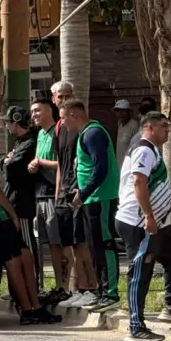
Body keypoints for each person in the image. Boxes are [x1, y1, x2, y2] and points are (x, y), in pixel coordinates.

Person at [116, 111, 171, 341]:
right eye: (163, 126)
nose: (167, 130)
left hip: (157, 222)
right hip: (139, 222)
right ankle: (136, 326)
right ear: (149, 127)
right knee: (141, 272)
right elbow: (138, 182)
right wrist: (149, 216)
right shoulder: (144, 149)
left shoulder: (152, 150)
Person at [0, 135, 59, 325]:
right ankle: (28, 309)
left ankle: (35, 306)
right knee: (14, 263)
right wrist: (12, 214)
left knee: (26, 256)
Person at [60, 99, 121, 313]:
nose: (63, 123)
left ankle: (111, 293)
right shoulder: (84, 134)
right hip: (89, 199)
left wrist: (83, 193)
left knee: (105, 244)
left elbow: (100, 168)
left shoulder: (93, 133)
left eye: (64, 118)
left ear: (74, 115)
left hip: (100, 198)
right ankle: (102, 292)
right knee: (95, 247)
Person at [51, 81, 99, 309]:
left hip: (80, 192)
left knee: (82, 243)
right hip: (64, 193)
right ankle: (76, 288)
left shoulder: (83, 129)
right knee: (70, 244)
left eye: (68, 95)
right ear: (54, 98)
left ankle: (89, 287)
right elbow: (61, 162)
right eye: (60, 96)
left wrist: (80, 191)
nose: (64, 99)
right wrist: (58, 192)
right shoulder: (60, 128)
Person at [29, 99, 71, 304]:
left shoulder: (59, 130)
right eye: (32, 112)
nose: (34, 115)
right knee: (50, 244)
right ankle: (57, 285)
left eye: (37, 110)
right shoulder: (39, 134)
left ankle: (66, 286)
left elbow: (62, 163)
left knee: (60, 243)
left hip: (54, 195)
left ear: (49, 110)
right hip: (39, 193)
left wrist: (41, 163)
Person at [4, 107, 42, 295]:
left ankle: (35, 285)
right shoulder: (20, 142)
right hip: (15, 199)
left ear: (16, 122)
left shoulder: (29, 142)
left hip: (24, 202)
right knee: (19, 245)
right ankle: (22, 287)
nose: (6, 126)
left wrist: (7, 162)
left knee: (28, 245)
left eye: (8, 122)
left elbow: (12, 167)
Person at [114, 100, 138, 168]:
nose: (120, 114)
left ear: (128, 112)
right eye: (117, 111)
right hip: (119, 164)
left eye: (123, 111)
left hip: (129, 167)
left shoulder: (134, 125)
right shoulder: (119, 124)